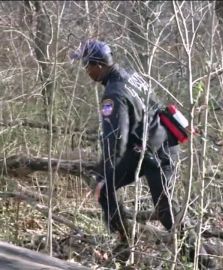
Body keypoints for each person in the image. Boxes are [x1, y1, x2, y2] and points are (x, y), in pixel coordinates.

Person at [71, 39, 214, 267]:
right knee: (104, 188)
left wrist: (106, 174)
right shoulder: (130, 75)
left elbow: (116, 140)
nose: (86, 71)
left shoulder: (114, 94)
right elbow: (156, 106)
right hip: (145, 148)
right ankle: (125, 243)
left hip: (158, 153)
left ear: (98, 65)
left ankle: (205, 263)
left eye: (87, 66)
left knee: (166, 212)